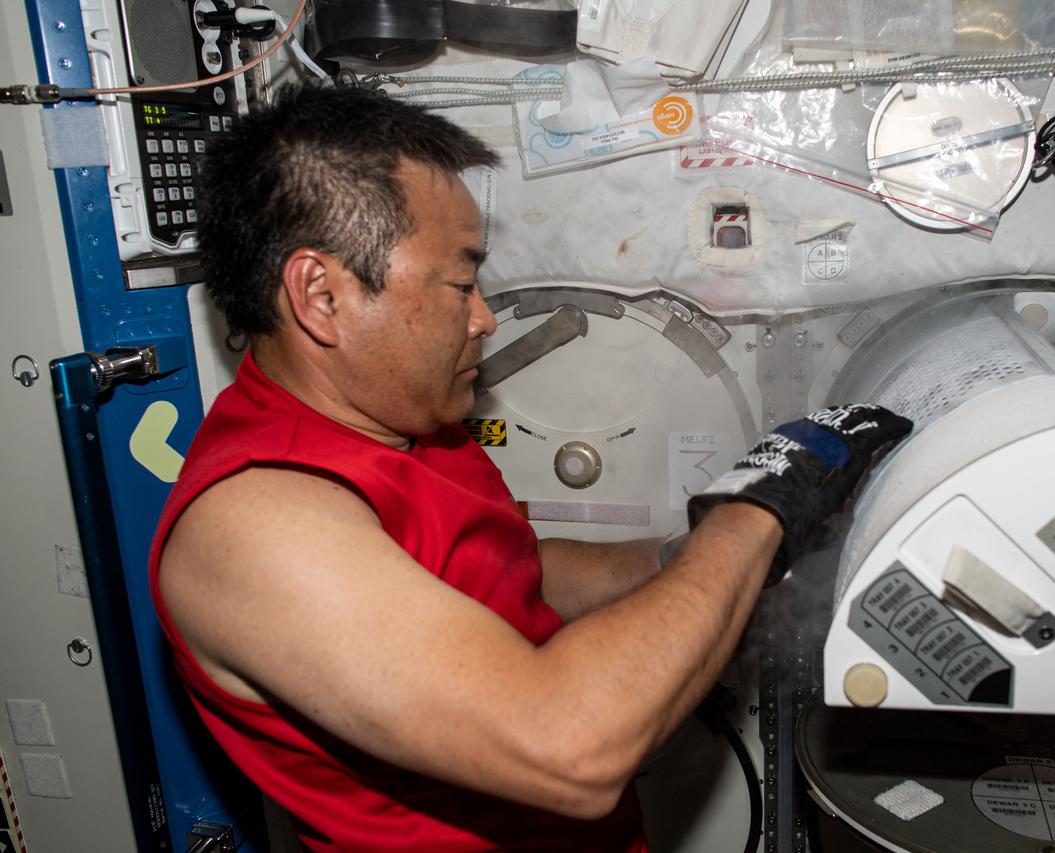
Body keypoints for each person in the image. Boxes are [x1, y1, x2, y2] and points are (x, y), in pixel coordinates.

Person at [149, 84, 910, 852]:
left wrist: (690, 555)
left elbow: (516, 577)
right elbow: (568, 744)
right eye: (459, 283)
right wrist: (757, 515)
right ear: (321, 294)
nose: (482, 317)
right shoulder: (256, 529)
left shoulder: (406, 424)